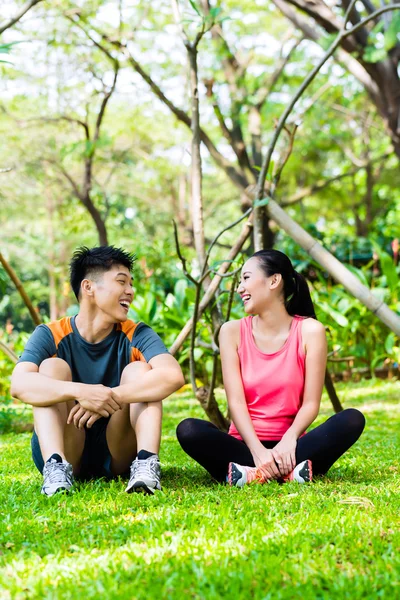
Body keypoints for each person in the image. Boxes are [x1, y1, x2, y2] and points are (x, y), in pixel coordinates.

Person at [176, 250, 365, 487]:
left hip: (293, 445)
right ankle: (287, 473)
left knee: (351, 420)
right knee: (189, 430)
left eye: (246, 278)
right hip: (244, 445)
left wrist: (288, 441)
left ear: (274, 281)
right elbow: (236, 402)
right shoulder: (231, 332)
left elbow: (310, 404)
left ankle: (249, 475)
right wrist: (257, 450)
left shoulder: (310, 331)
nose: (239, 288)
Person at [11, 246, 184, 496]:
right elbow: (19, 384)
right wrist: (82, 392)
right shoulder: (50, 334)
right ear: (88, 287)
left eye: (131, 284)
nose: (131, 292)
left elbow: (172, 376)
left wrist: (110, 395)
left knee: (140, 370)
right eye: (121, 282)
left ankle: (146, 465)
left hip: (119, 450)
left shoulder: (137, 333)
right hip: (68, 444)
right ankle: (56, 468)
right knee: (50, 367)